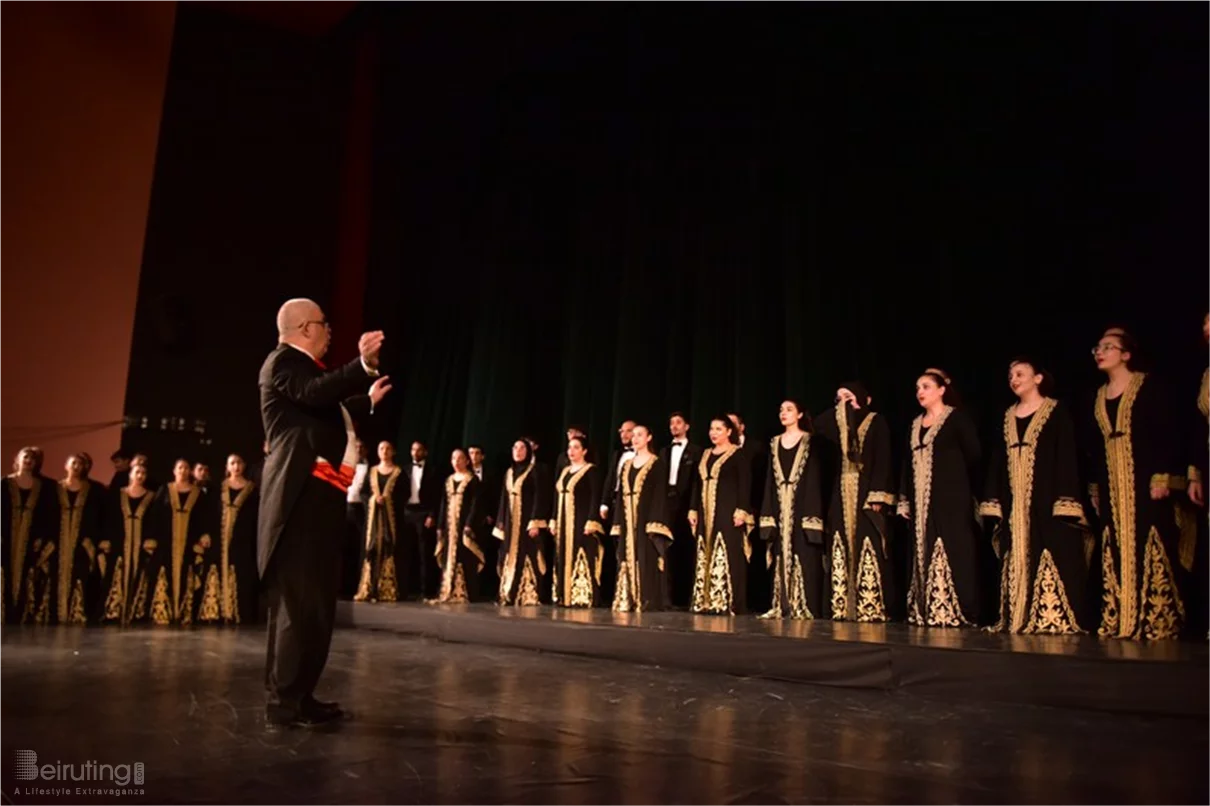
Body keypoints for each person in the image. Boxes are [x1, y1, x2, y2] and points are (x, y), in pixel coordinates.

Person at [258, 297, 390, 728]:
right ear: (305, 328)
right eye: (324, 323)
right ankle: (284, 702)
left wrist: (365, 397)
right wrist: (359, 365)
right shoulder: (282, 364)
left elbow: (324, 414)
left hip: (317, 500)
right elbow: (314, 395)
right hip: (298, 502)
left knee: (314, 605)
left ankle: (301, 695)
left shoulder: (304, 374)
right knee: (298, 605)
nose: (329, 330)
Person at [1088, 328, 1189, 640]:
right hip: (1112, 483)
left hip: (1144, 480)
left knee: (1152, 539)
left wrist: (1163, 475)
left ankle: (1157, 618)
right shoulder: (1098, 395)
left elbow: (1165, 432)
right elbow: (1094, 445)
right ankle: (1121, 616)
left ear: (1126, 354)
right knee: (1114, 544)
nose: (1100, 352)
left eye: (1108, 347)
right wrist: (1095, 486)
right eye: (1098, 348)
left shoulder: (1147, 386)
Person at [980, 360, 1090, 633]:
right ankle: (1016, 613)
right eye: (1010, 375)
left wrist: (1065, 498)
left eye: (1020, 374)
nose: (1014, 379)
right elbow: (997, 458)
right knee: (1015, 549)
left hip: (1046, 494)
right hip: (1014, 498)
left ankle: (1050, 615)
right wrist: (993, 499)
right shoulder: (1007, 415)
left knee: (1049, 547)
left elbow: (1065, 455)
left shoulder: (1055, 411)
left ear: (1038, 378)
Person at [897, 369, 983, 627]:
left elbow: (974, 455)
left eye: (925, 386)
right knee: (922, 547)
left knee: (954, 547)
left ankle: (960, 609)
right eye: (917, 388)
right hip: (921, 500)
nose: (920, 392)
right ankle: (927, 606)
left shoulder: (956, 419)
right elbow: (906, 464)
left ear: (942, 390)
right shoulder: (915, 424)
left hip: (951, 499)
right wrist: (904, 500)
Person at [814, 383, 895, 623]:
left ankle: (870, 605)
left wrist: (878, 494)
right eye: (839, 398)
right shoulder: (838, 426)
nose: (844, 403)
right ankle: (842, 605)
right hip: (841, 490)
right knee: (840, 541)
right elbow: (819, 424)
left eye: (849, 397)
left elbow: (883, 456)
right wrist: (842, 409)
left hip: (866, 490)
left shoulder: (875, 420)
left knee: (867, 541)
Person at [758, 400, 825, 619]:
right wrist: (768, 514)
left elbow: (814, 479)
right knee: (780, 551)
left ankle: (802, 604)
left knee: (802, 551)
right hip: (780, 505)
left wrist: (812, 513)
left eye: (789, 410)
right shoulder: (774, 442)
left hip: (802, 504)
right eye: (781, 410)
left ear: (799, 414)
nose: (783, 413)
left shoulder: (809, 441)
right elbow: (769, 479)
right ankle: (782, 603)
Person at [689, 417, 752, 614]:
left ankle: (724, 600)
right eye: (711, 428)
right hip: (705, 509)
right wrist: (693, 509)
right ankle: (704, 599)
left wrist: (742, 510)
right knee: (704, 549)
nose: (713, 433)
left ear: (729, 432)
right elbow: (696, 484)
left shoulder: (737, 454)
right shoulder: (705, 454)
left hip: (727, 509)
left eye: (718, 429)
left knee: (726, 550)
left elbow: (745, 483)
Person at [610, 424, 673, 612]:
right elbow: (621, 496)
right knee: (626, 557)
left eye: (639, 435)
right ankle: (627, 597)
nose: (635, 438)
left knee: (646, 556)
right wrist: (618, 522)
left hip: (646, 520)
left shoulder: (656, 463)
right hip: (628, 520)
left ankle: (647, 598)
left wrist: (654, 522)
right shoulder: (627, 465)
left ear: (649, 438)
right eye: (633, 435)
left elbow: (659, 495)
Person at [145, 458, 213, 625]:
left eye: (186, 468)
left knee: (187, 575)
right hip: (165, 542)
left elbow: (204, 517)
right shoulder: (165, 490)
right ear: (174, 471)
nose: (183, 471)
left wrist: (204, 535)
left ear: (190, 471)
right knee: (164, 574)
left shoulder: (198, 493)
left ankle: (184, 612)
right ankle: (163, 612)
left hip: (189, 542)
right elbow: (155, 514)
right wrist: (151, 537)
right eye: (180, 467)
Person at [3, 447, 57, 624]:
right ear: (18, 460)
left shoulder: (41, 487)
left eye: (32, 459)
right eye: (25, 457)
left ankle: (22, 612)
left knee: (28, 573)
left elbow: (46, 514)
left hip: (31, 538)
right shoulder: (4, 483)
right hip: (6, 537)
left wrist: (41, 537)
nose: (28, 461)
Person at [551, 436, 606, 607]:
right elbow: (556, 497)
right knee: (562, 555)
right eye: (570, 447)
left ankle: (581, 596)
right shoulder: (565, 471)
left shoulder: (591, 471)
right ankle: (563, 595)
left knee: (581, 555)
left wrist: (591, 521)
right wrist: (553, 519)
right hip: (563, 521)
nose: (571, 451)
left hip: (581, 522)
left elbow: (595, 497)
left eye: (576, 447)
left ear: (584, 451)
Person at [98, 461, 153, 624]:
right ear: (130, 474)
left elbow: (153, 520)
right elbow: (109, 518)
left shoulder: (150, 496)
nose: (140, 476)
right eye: (137, 472)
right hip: (119, 542)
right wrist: (106, 538)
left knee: (140, 576)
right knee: (116, 573)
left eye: (143, 473)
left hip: (140, 543)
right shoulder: (119, 494)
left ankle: (135, 611)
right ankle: (114, 611)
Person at [494, 439, 548, 606]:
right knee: (508, 554)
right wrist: (501, 522)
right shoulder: (509, 472)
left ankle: (527, 593)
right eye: (515, 447)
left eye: (522, 448)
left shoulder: (535, 471)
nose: (518, 451)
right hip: (511, 522)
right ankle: (508, 592)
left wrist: (535, 522)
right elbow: (504, 498)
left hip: (527, 523)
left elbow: (541, 497)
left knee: (528, 553)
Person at [659, 411, 701, 608]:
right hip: (666, 502)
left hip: (685, 503)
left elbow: (696, 482)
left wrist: (693, 507)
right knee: (667, 549)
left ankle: (685, 597)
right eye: (671, 423)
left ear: (687, 426)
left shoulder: (696, 451)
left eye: (678, 423)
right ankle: (667, 597)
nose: (674, 426)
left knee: (685, 549)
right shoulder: (664, 451)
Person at [354, 441, 404, 603]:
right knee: (372, 549)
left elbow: (405, 494)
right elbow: (363, 493)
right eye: (381, 448)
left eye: (388, 448)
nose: (385, 451)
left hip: (391, 520)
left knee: (389, 548)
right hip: (373, 520)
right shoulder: (372, 471)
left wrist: (388, 499)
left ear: (393, 452)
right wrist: (374, 499)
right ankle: (369, 588)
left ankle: (387, 589)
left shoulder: (399, 472)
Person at [433, 448, 485, 603]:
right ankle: (448, 589)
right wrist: (440, 526)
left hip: (464, 526)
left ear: (467, 461)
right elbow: (443, 504)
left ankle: (466, 592)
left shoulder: (472, 480)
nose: (457, 461)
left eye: (460, 458)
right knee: (449, 556)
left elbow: (476, 504)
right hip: (450, 527)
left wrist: (469, 524)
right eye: (454, 458)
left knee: (466, 556)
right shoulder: (449, 480)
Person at [56, 453, 103, 625]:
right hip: (60, 540)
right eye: (73, 463)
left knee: (81, 574)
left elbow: (97, 516)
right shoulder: (56, 488)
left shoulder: (94, 490)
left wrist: (91, 538)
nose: (76, 467)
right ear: (66, 465)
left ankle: (76, 612)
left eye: (80, 464)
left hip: (83, 540)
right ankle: (57, 612)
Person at [217, 453, 259, 624]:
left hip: (243, 537)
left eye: (239, 462)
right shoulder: (219, 488)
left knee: (241, 571)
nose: (236, 466)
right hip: (220, 538)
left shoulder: (252, 489)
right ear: (227, 467)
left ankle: (239, 612)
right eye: (232, 463)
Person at [402, 441, 441, 599]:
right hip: (407, 512)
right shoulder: (404, 469)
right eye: (413, 449)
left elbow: (437, 494)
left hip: (424, 513)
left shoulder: (433, 470)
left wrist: (432, 515)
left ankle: (426, 591)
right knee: (405, 552)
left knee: (424, 553)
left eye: (419, 450)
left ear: (425, 452)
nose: (416, 452)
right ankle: (405, 589)